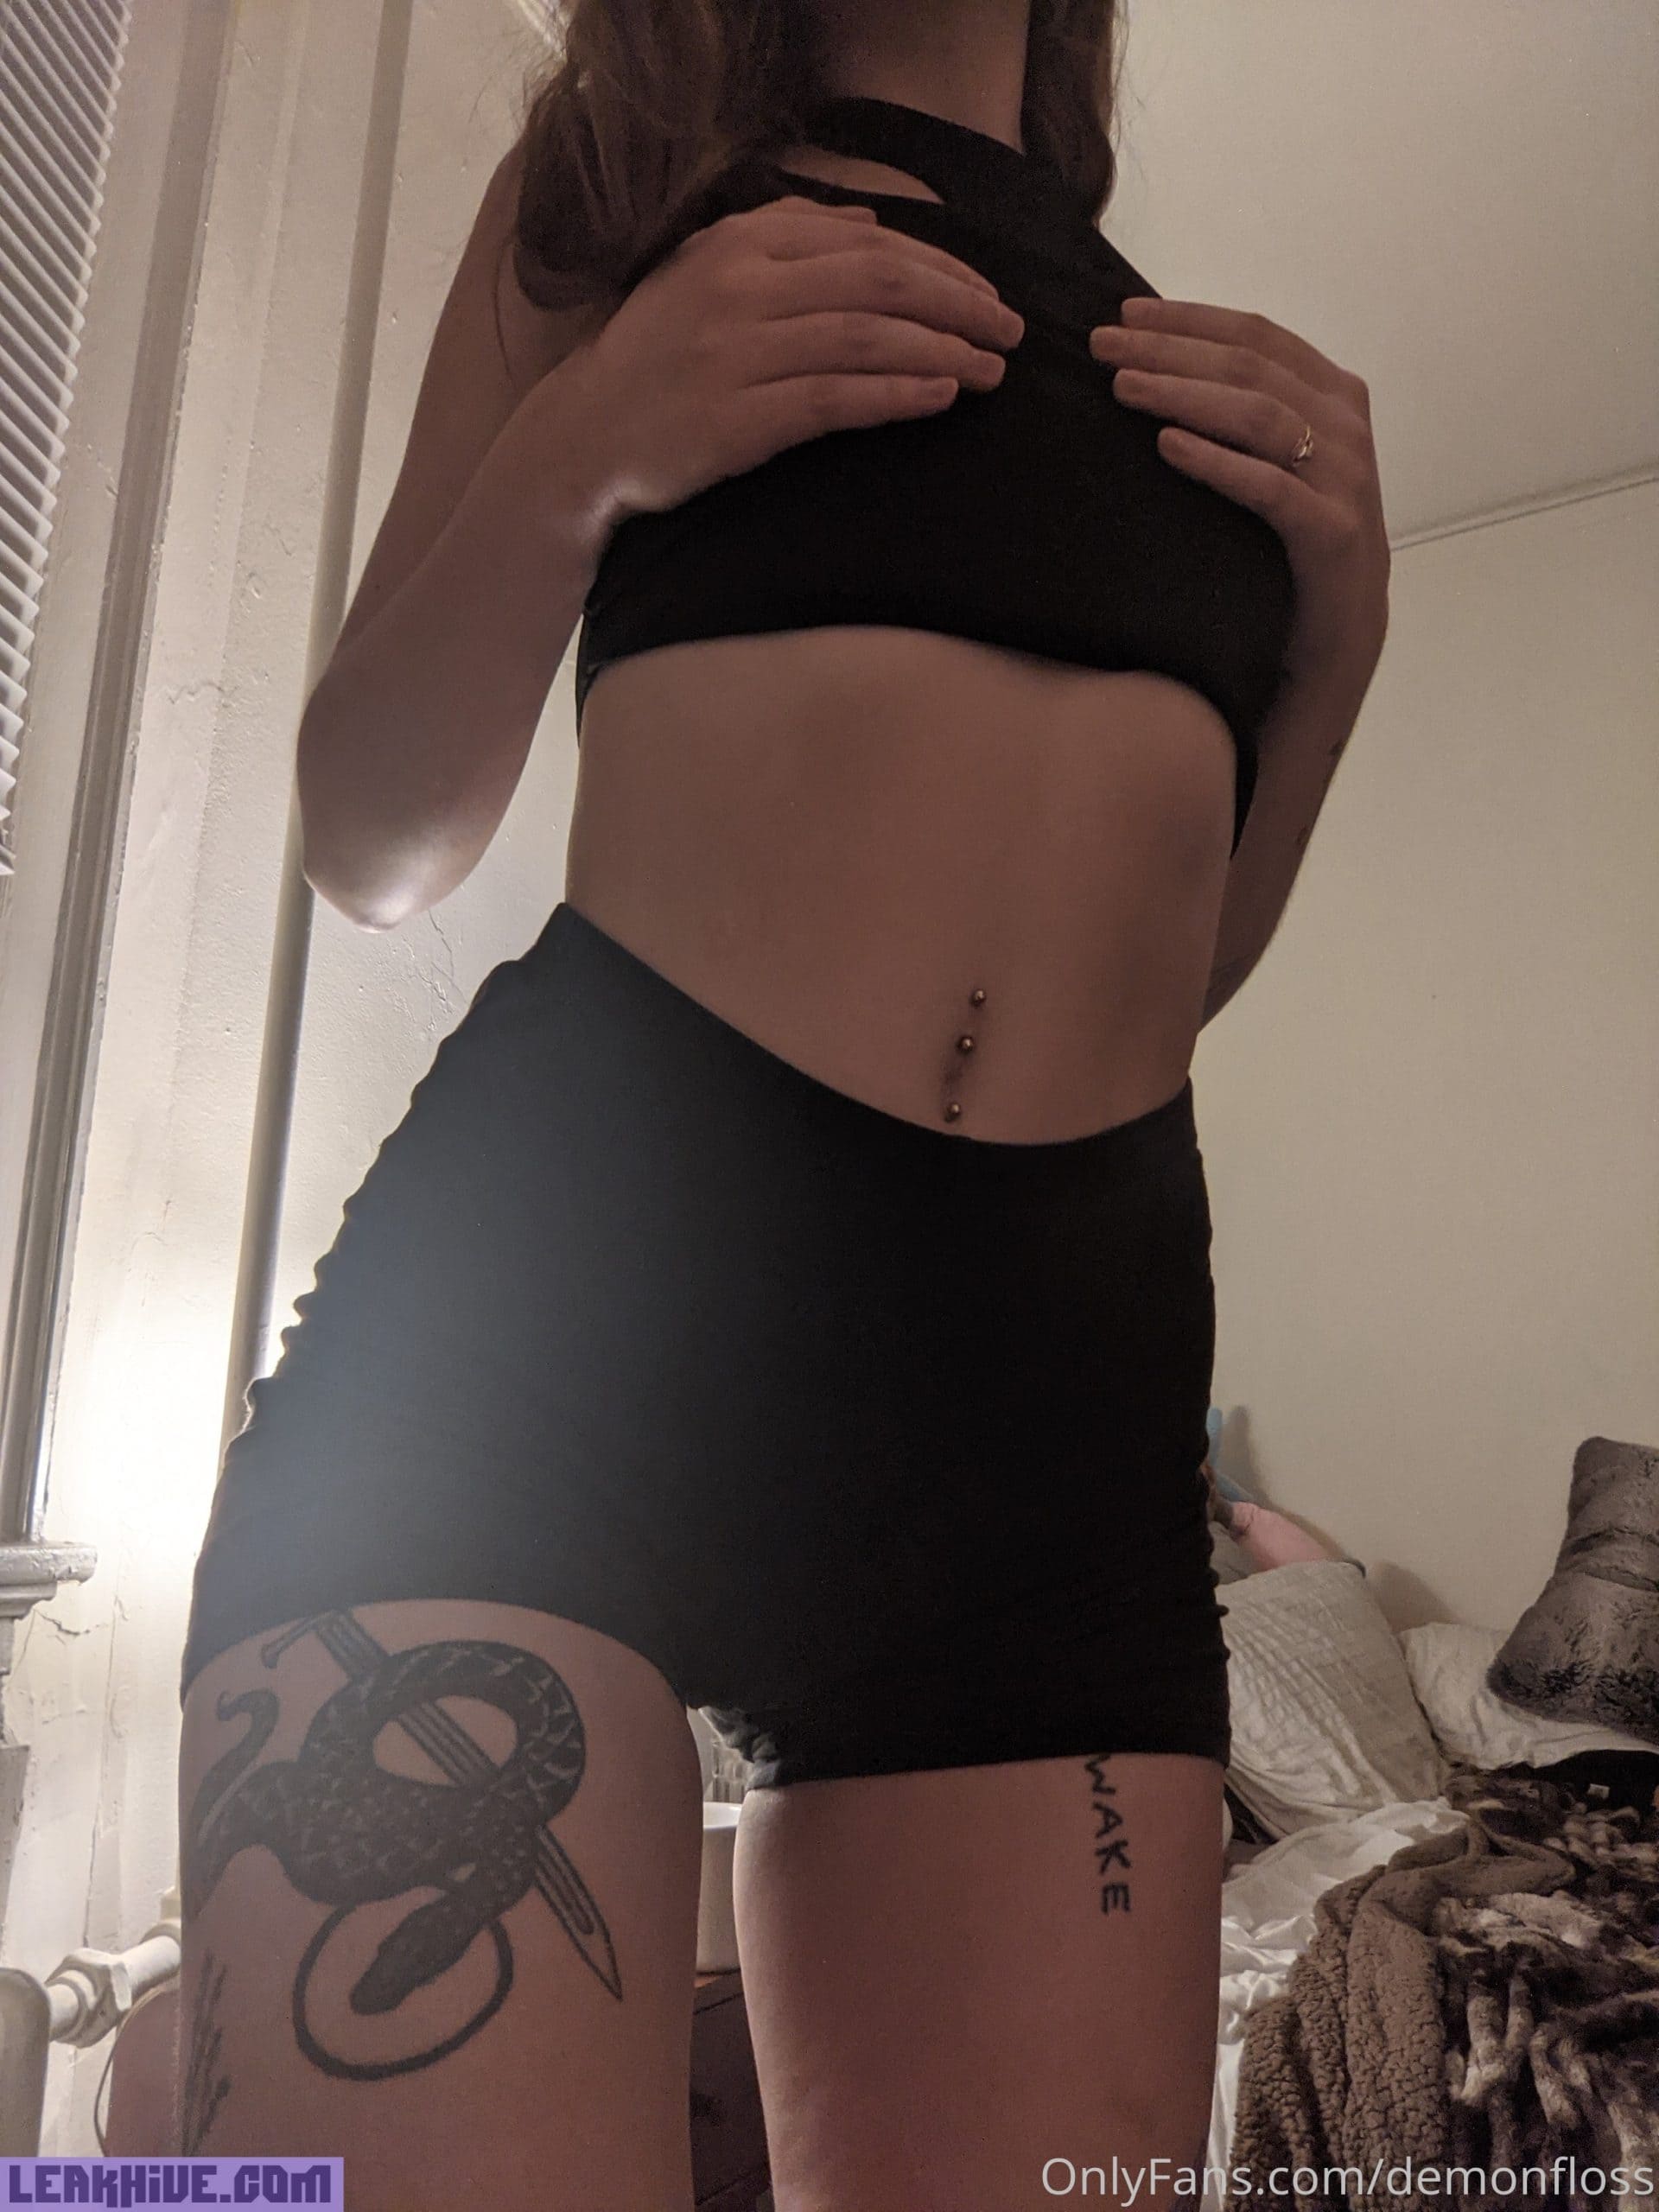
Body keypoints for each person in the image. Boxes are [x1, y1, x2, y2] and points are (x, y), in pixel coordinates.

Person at [175, 1, 1389, 2204]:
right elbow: (369, 834)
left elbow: (1169, 974)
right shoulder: (621, 194)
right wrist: (583, 449)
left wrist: (1339, 643)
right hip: (543, 1360)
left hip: (1052, 1457)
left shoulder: (1163, 364)